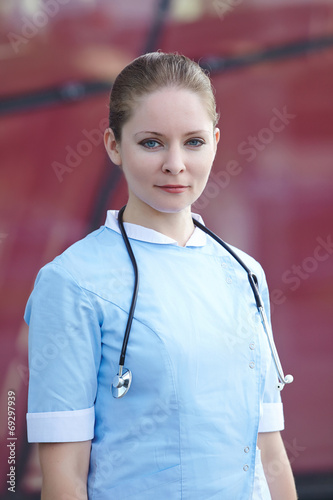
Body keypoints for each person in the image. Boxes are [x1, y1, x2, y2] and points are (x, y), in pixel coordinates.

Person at [25, 52, 297, 499]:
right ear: (114, 145)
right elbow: (63, 478)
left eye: (193, 142)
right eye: (151, 142)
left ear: (215, 140)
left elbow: (269, 452)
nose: (175, 164)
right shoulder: (72, 283)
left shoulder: (244, 273)